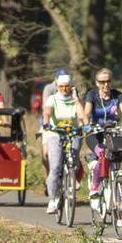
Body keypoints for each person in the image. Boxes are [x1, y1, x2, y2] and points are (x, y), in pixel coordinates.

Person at [82, 68, 122, 199]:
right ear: (97, 83)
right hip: (94, 134)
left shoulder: (117, 95)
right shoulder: (92, 95)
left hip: (112, 133)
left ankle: (117, 198)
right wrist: (86, 126)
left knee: (116, 159)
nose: (105, 85)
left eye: (108, 81)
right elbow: (86, 113)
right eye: (102, 82)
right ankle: (95, 187)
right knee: (102, 155)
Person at [42, 72, 87, 214]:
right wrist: (46, 123)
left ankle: (72, 181)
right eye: (61, 87)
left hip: (72, 133)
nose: (64, 90)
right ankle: (52, 199)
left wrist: (77, 101)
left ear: (71, 87)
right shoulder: (52, 99)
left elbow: (81, 116)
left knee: (74, 160)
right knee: (55, 166)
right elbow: (47, 113)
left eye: (66, 87)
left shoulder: (75, 99)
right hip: (56, 133)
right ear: (57, 87)